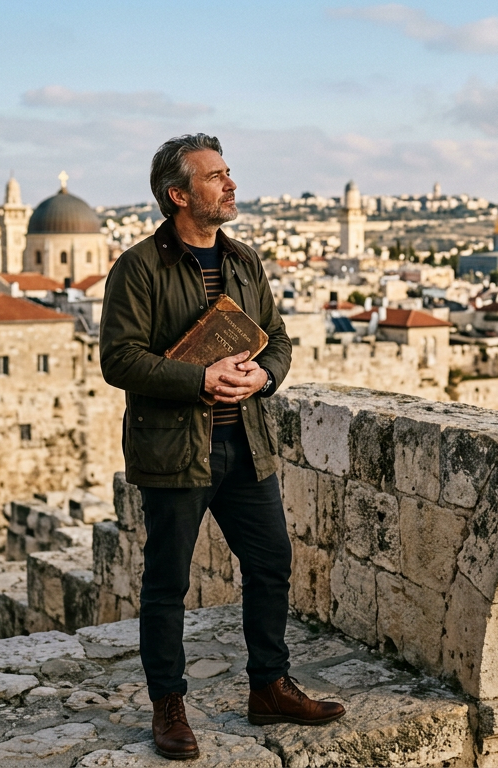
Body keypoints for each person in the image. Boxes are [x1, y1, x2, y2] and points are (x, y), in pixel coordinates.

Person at [100, 134, 345, 761]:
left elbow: (278, 340)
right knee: (166, 583)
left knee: (270, 564)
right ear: (178, 195)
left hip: (246, 445)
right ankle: (169, 706)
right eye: (215, 176)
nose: (231, 184)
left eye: (229, 172)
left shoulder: (244, 261)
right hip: (178, 451)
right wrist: (199, 379)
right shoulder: (138, 268)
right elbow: (119, 359)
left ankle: (269, 686)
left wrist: (264, 377)